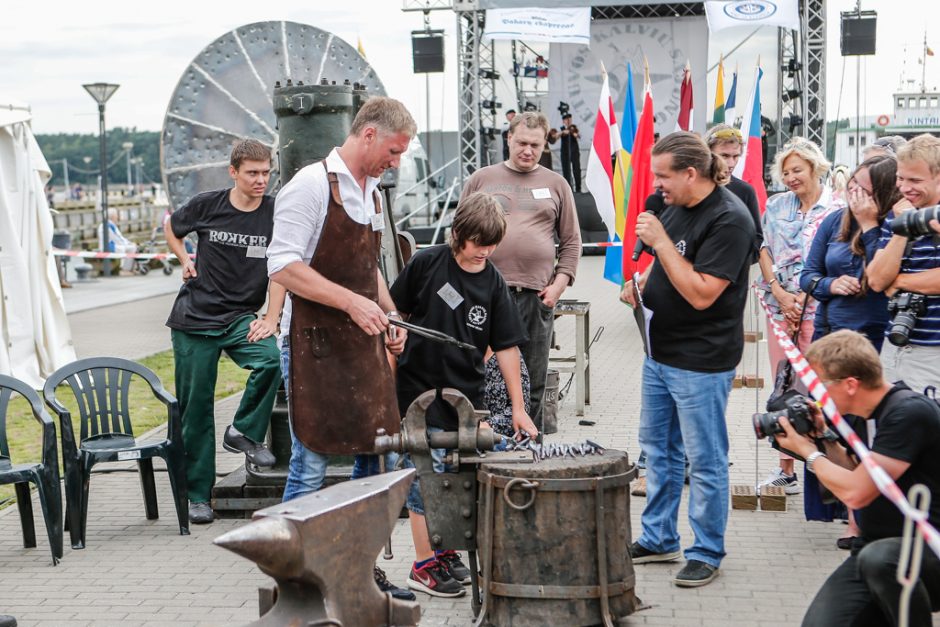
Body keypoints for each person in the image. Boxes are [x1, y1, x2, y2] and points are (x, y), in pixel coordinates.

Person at [267, 96, 415, 599]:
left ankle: (359, 567)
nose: (395, 163)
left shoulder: (371, 191)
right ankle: (291, 578)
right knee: (310, 460)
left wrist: (390, 313)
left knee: (377, 457)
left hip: (362, 344)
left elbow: (367, 266)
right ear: (368, 134)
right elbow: (283, 267)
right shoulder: (307, 187)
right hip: (312, 346)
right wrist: (352, 304)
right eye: (393, 151)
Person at [621, 132, 755, 587]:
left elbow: (701, 293)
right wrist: (640, 286)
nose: (656, 184)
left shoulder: (730, 220)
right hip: (659, 352)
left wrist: (658, 244)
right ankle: (659, 537)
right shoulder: (672, 207)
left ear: (691, 173)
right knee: (657, 451)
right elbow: (669, 265)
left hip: (701, 360)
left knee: (705, 458)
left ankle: (706, 550)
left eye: (663, 175)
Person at [390, 191, 537, 597]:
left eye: (493, 245)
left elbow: (506, 346)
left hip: (463, 396)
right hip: (415, 391)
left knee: (453, 476)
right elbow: (395, 314)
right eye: (478, 244)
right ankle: (422, 564)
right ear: (458, 234)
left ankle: (443, 549)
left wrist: (518, 408)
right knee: (423, 478)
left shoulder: (492, 281)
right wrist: (387, 378)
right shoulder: (425, 263)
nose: (485, 252)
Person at [772, 330, 940, 627]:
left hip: (927, 548)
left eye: (820, 385)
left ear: (850, 384)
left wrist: (807, 452)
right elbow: (853, 473)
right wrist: (823, 438)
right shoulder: (862, 413)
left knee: (882, 558)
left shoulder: (908, 412)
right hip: (875, 546)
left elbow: (856, 494)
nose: (816, 395)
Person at [164, 139, 285, 525]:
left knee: (271, 361)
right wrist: (184, 258)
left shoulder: (275, 212)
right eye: (252, 173)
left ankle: (243, 432)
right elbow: (172, 226)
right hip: (195, 321)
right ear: (233, 172)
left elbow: (283, 266)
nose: (261, 180)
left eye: (266, 172)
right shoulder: (207, 204)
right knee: (195, 410)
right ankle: (198, 497)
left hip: (239, 318)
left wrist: (271, 317)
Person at [800, 155, 901, 547]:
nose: (854, 194)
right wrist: (829, 285)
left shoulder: (893, 227)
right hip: (830, 335)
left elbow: (883, 277)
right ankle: (835, 503)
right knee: (827, 422)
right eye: (852, 184)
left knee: (864, 430)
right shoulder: (834, 221)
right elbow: (808, 275)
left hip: (874, 338)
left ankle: (860, 520)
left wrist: (872, 226)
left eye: (865, 188)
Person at [460, 110, 581, 431]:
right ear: (509, 138)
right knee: (477, 376)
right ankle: (484, 452)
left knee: (534, 382)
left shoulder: (557, 185)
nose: (528, 151)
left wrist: (559, 285)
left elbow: (571, 241)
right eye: (523, 143)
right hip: (483, 298)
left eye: (536, 146)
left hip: (534, 298)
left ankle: (533, 457)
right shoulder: (481, 180)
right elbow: (458, 235)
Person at [758, 137, 838, 495]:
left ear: (815, 169)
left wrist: (804, 297)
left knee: (819, 389)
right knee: (785, 386)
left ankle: (825, 470)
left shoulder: (836, 208)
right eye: (785, 172)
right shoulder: (775, 206)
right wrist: (778, 291)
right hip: (779, 309)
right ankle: (785, 468)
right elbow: (763, 249)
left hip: (819, 312)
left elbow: (835, 257)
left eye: (797, 170)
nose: (791, 178)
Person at [867, 133, 940, 397]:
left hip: (934, 353)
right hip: (895, 344)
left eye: (915, 180)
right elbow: (875, 280)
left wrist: (899, 282)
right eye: (901, 178)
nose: (904, 187)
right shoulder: (897, 215)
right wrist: (902, 230)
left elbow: (888, 281)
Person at [703, 123, 764, 258]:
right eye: (724, 156)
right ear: (707, 153)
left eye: (735, 156)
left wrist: (731, 264)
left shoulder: (745, 191)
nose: (731, 163)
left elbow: (757, 240)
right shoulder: (691, 186)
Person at [98, 208, 138, 274]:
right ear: (113, 216)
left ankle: (130, 269)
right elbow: (117, 239)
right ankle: (126, 269)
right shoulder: (109, 225)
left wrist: (128, 243)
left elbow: (119, 238)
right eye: (116, 215)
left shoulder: (106, 224)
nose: (117, 217)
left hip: (108, 246)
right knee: (132, 248)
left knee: (130, 247)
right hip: (109, 247)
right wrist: (129, 244)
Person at [559, 113, 582, 192]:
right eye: (567, 120)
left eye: (570, 119)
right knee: (566, 170)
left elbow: (578, 135)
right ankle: (568, 189)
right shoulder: (562, 129)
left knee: (577, 169)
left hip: (574, 152)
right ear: (563, 121)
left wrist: (573, 132)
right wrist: (563, 132)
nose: (569, 121)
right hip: (565, 152)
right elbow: (556, 136)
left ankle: (578, 188)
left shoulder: (574, 127)